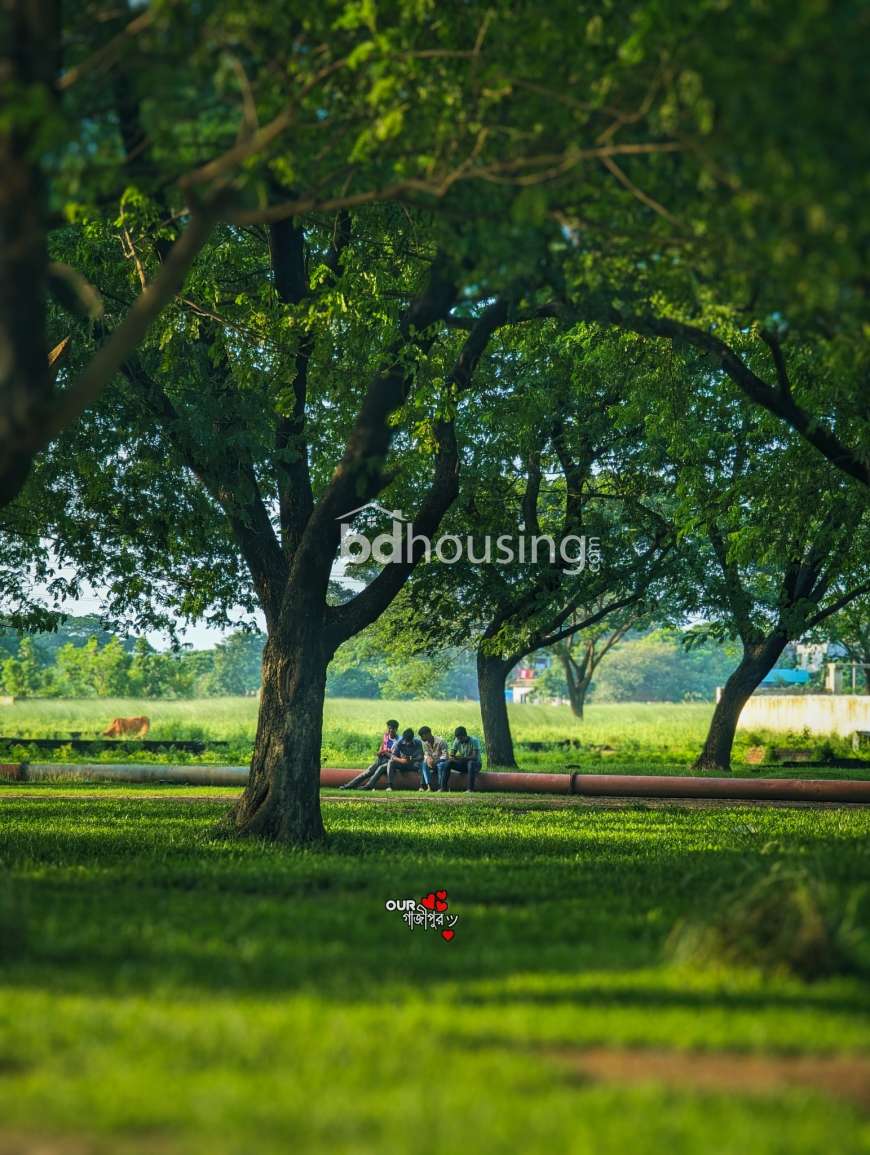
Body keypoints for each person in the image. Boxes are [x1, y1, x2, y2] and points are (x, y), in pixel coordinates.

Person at [340, 720, 399, 789]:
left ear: (396, 729)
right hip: (381, 759)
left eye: (392, 729)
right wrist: (379, 752)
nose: (390, 731)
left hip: (389, 762)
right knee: (367, 772)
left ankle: (367, 787)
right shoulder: (386, 736)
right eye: (389, 728)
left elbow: (395, 756)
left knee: (378, 770)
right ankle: (348, 786)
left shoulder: (398, 741)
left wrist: (386, 752)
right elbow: (382, 746)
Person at [365, 727, 424, 792]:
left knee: (422, 764)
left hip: (413, 763)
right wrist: (401, 760)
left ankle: (422, 786)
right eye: (406, 741)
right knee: (390, 762)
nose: (407, 743)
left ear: (412, 738)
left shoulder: (418, 742)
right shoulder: (399, 743)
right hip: (401, 763)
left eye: (409, 742)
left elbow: (421, 756)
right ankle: (389, 786)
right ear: (403, 739)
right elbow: (393, 756)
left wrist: (411, 759)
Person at [437, 726, 482, 792]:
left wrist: (461, 758)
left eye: (461, 738)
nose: (459, 740)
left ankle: (470, 789)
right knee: (448, 763)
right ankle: (443, 788)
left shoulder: (474, 740)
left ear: (465, 735)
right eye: (458, 738)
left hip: (475, 765)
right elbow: (452, 754)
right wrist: (452, 757)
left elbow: (475, 757)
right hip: (464, 764)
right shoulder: (457, 740)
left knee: (470, 763)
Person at [418, 726, 447, 792]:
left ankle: (440, 787)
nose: (421, 738)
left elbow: (445, 756)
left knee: (441, 765)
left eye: (422, 736)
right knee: (424, 764)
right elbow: (426, 754)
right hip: (432, 762)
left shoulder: (441, 741)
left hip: (440, 762)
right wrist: (428, 759)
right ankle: (429, 786)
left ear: (428, 734)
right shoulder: (425, 743)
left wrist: (436, 762)